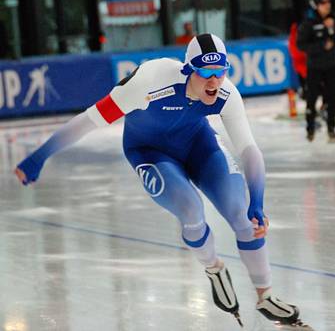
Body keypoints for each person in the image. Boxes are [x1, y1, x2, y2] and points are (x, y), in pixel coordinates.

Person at [14, 34, 312, 330]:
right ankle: (213, 267)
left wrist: (257, 202)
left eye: (220, 72)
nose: (213, 81)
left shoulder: (226, 94)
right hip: (150, 152)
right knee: (191, 210)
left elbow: (249, 149)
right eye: (205, 73)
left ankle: (266, 296)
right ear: (188, 70)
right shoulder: (150, 81)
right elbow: (87, 121)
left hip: (199, 145)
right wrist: (39, 157)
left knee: (243, 214)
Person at [297, 0, 335, 143]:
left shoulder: (334, 17)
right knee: (312, 98)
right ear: (317, 6)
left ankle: (332, 129)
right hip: (314, 67)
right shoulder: (309, 22)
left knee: (332, 97)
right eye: (323, 3)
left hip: (331, 66)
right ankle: (310, 128)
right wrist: (321, 46)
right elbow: (300, 44)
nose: (327, 6)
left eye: (328, 2)